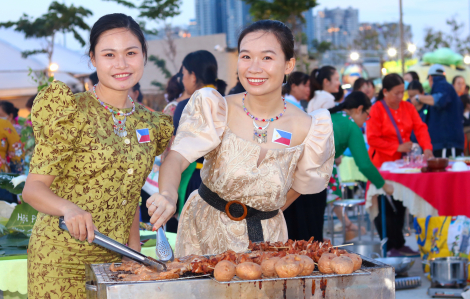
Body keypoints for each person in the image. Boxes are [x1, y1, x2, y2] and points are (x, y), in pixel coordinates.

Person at [146, 20, 334, 256]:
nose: (254, 68)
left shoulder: (309, 128)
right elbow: (176, 158)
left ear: (288, 65)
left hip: (268, 241)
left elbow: (301, 185)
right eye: (246, 57)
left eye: (267, 58)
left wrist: (259, 212)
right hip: (203, 235)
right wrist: (167, 195)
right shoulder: (216, 108)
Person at [22, 14, 173, 298]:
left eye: (130, 53)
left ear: (144, 55)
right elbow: (33, 189)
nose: (121, 64)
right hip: (59, 259)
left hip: (116, 261)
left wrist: (133, 255)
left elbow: (130, 196)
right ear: (93, 59)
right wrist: (68, 208)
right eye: (109, 54)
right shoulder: (70, 112)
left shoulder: (151, 123)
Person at [367, 73, 433, 257]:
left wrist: (427, 148)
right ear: (385, 92)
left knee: (401, 202)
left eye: (402, 93)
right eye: (396, 93)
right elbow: (372, 139)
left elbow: (420, 128)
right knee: (386, 205)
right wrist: (397, 146)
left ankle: (400, 243)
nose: (400, 97)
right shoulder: (376, 109)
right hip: (381, 164)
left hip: (403, 164)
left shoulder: (407, 107)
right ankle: (390, 245)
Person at [326, 92, 394, 234]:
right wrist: (383, 184)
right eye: (366, 115)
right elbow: (364, 164)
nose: (365, 120)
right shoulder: (351, 125)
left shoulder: (333, 117)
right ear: (359, 109)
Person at [171, 50, 228, 214]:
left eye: (184, 74)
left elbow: (177, 149)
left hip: (195, 179)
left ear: (193, 76)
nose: (183, 80)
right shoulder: (227, 102)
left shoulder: (185, 106)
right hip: (221, 180)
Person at [409, 64, 464, 158]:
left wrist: (419, 98)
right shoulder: (448, 88)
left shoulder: (442, 85)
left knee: (448, 172)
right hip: (445, 144)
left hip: (446, 144)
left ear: (430, 78)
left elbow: (440, 100)